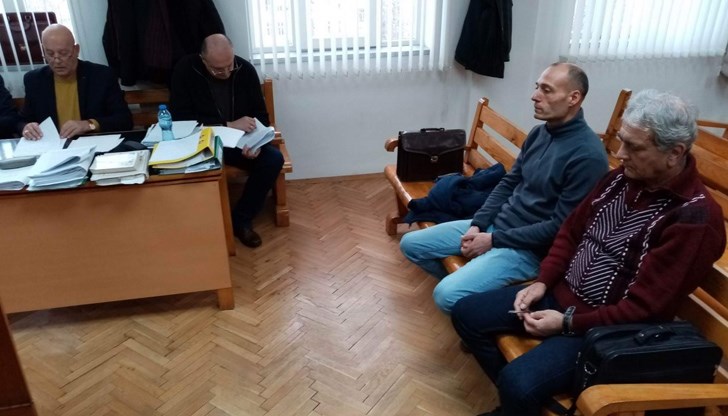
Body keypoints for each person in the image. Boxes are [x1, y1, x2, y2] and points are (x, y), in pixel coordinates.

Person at [451, 90, 727, 416]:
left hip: (606, 330)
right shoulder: (620, 179)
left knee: (518, 382)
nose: (620, 154)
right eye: (621, 141)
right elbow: (570, 232)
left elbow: (644, 309)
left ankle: (520, 402)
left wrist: (567, 324)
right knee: (466, 313)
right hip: (558, 297)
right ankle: (524, 406)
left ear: (674, 153)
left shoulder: (693, 218)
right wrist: (542, 282)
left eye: (634, 147)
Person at [400, 63, 609, 314]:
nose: (534, 96)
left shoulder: (587, 156)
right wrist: (478, 224)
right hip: (497, 226)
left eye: (546, 90)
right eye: (537, 87)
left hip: (528, 250)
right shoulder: (540, 133)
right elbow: (509, 182)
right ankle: (474, 297)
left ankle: (474, 306)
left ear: (573, 98)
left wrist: (493, 241)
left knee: (446, 295)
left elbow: (559, 228)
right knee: (411, 244)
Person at [169, 34, 284, 248]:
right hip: (201, 139)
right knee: (183, 165)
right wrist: (227, 124)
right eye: (217, 69)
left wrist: (257, 144)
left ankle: (241, 219)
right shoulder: (185, 70)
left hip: (239, 142)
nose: (225, 73)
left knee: (273, 159)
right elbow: (181, 118)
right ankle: (200, 222)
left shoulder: (244, 69)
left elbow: (261, 115)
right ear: (203, 59)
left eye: (229, 65)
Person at [19, 24, 132, 139]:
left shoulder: (101, 76)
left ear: (76, 50)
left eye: (63, 53)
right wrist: (26, 127)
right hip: (53, 146)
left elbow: (124, 120)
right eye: (50, 54)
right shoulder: (34, 80)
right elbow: (22, 120)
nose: (56, 60)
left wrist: (89, 124)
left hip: (93, 143)